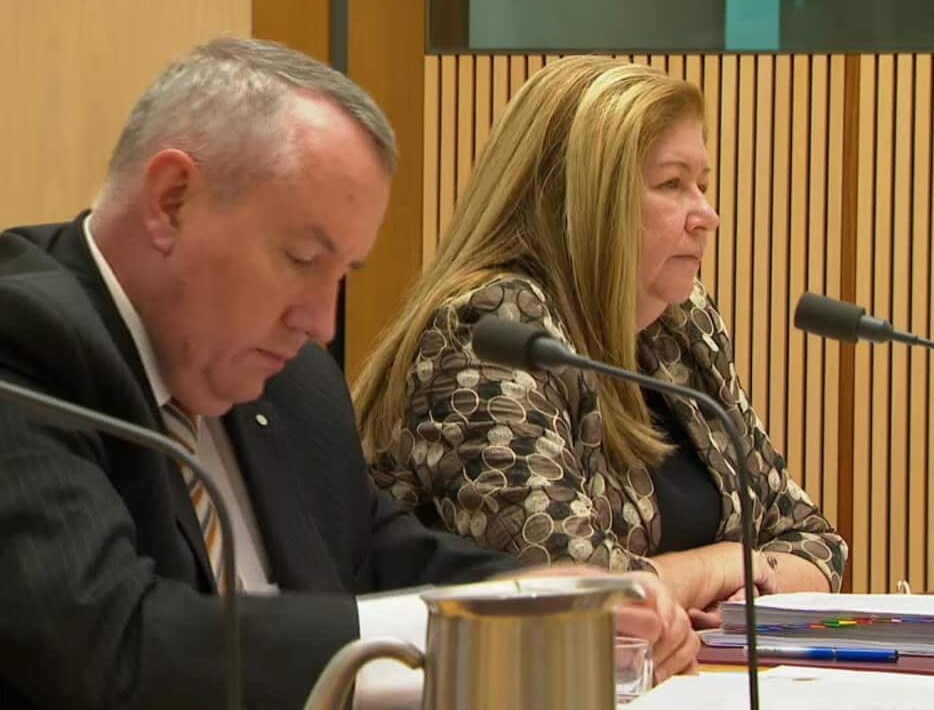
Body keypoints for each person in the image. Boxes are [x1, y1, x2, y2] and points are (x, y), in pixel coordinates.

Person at [0, 39, 695, 709]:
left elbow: (376, 556)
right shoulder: (1, 349)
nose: (322, 323)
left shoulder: (289, 378)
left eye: (343, 274)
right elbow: (119, 644)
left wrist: (554, 604)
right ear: (171, 202)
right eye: (303, 260)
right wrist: (450, 630)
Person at [353, 56, 849, 622]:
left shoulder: (680, 326)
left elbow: (814, 539)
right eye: (673, 184)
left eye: (703, 186)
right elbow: (567, 584)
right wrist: (723, 565)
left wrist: (746, 584)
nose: (707, 215)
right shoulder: (493, 330)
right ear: (584, 201)